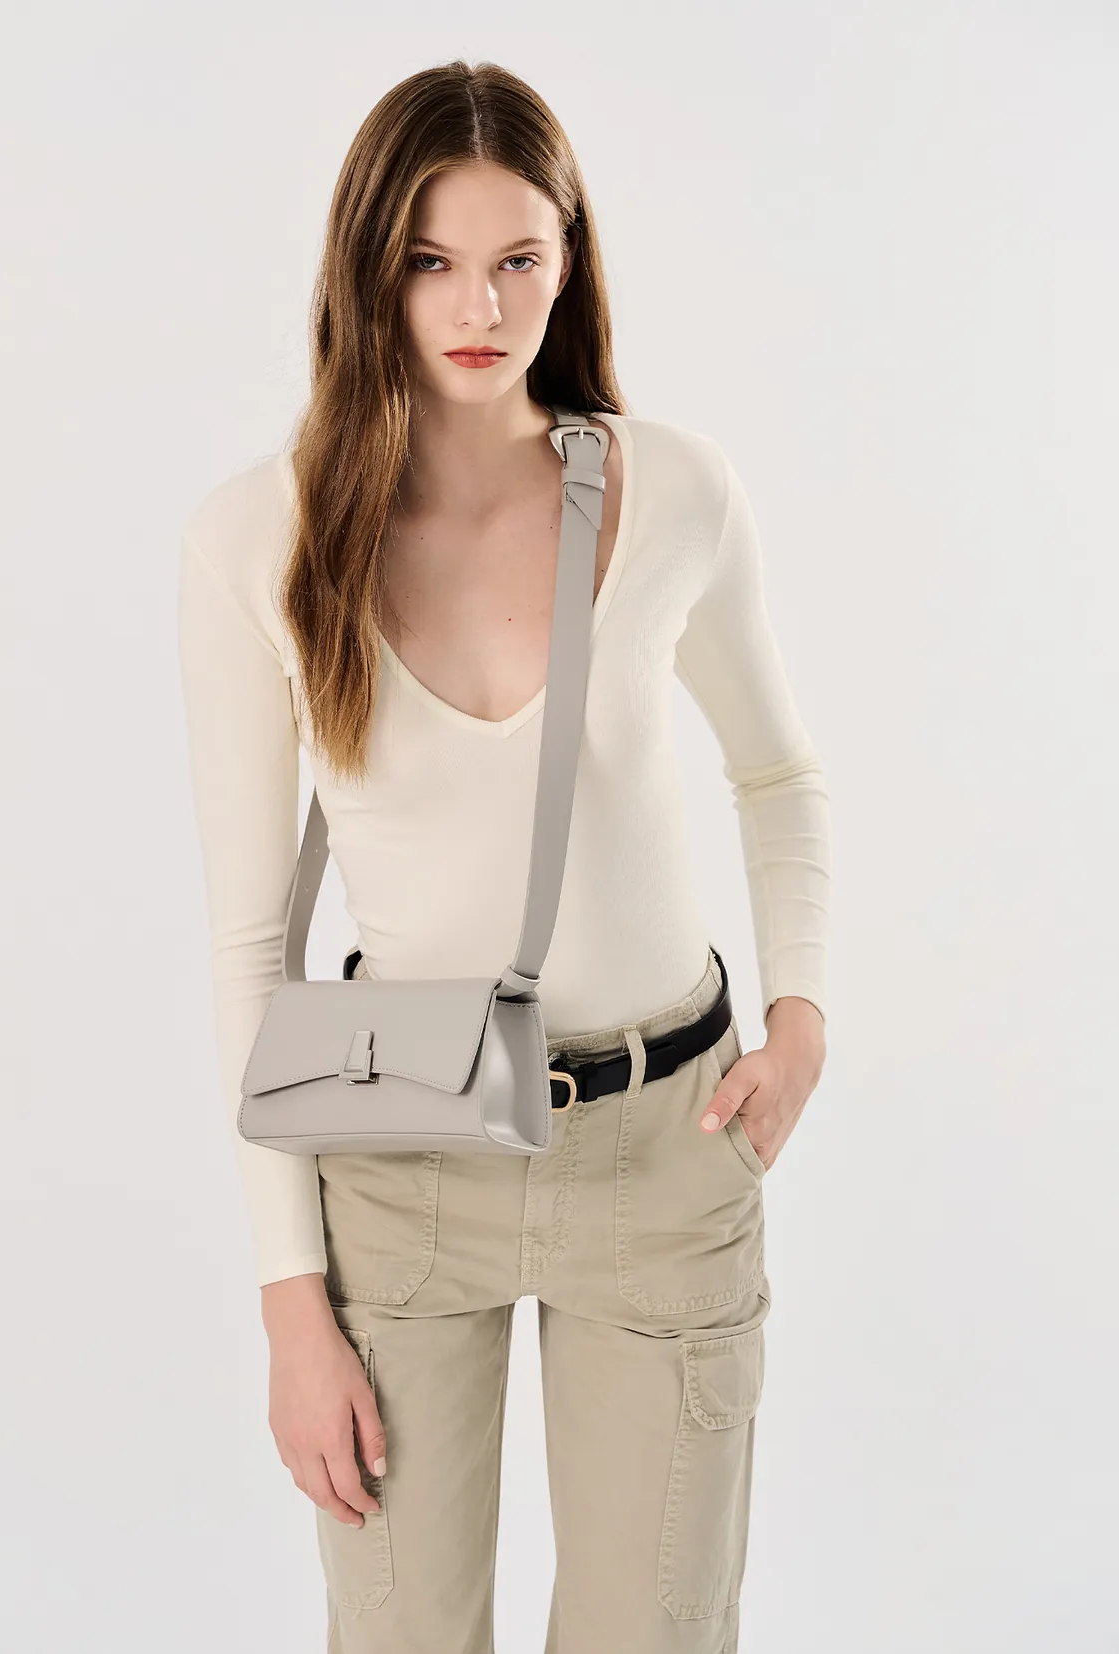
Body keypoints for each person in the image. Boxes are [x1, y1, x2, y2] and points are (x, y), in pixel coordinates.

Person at [177, 58, 830, 1654]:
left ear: (570, 256)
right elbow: (253, 946)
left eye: (518, 258)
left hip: (665, 1146)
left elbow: (779, 773)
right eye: (431, 260)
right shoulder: (259, 536)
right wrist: (289, 1302)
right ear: (370, 268)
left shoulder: (672, 490)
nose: (480, 306)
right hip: (401, 1164)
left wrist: (801, 1013)